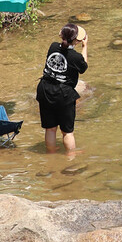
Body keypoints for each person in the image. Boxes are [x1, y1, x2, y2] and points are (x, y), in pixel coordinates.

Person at [36, 22, 88, 152]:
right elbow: (84, 67)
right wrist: (85, 46)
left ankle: (51, 153)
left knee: (50, 128)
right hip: (63, 94)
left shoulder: (53, 46)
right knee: (67, 131)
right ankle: (71, 158)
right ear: (76, 40)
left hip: (45, 89)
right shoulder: (75, 57)